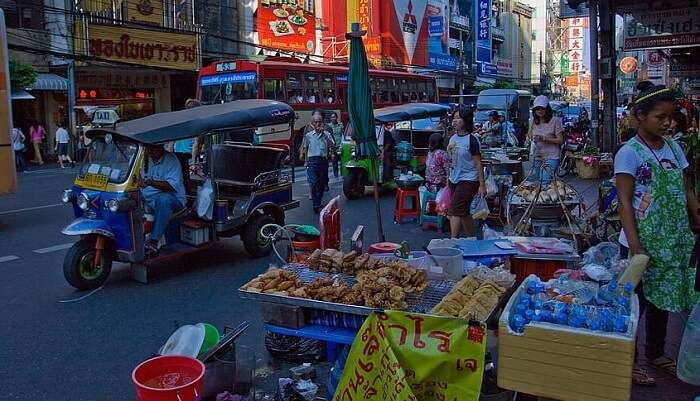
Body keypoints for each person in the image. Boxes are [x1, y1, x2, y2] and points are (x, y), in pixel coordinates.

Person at [614, 84, 700, 386]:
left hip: (672, 239)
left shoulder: (674, 148)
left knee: (663, 299)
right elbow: (624, 202)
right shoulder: (629, 153)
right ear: (640, 116)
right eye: (660, 117)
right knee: (635, 306)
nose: (667, 122)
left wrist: (696, 216)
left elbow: (686, 187)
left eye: (670, 117)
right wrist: (636, 246)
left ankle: (655, 352)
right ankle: (630, 361)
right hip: (641, 243)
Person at [446, 106, 486, 238]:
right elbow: (450, 160)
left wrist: (482, 184)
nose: (454, 121)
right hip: (454, 179)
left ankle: (453, 242)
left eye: (458, 118)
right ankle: (472, 239)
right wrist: (448, 178)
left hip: (469, 179)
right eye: (454, 118)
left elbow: (478, 163)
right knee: (463, 212)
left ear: (466, 120)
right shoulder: (453, 139)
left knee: (455, 211)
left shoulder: (472, 140)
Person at [140, 144, 187, 254]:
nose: (151, 150)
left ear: (161, 147)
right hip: (148, 198)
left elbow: (171, 185)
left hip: (173, 200)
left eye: (154, 147)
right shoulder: (144, 160)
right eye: (149, 148)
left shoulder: (171, 160)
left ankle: (153, 241)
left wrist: (149, 182)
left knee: (164, 200)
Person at [300, 112, 334, 213]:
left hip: (323, 161)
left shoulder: (326, 134)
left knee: (322, 184)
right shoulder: (308, 135)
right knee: (314, 182)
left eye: (320, 122)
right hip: (312, 161)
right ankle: (316, 204)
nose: (318, 124)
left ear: (322, 123)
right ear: (313, 124)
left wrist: (324, 135)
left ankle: (318, 201)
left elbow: (332, 145)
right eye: (316, 122)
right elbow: (305, 148)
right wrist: (305, 161)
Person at [529, 95, 564, 185]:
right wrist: (533, 139)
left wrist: (545, 138)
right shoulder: (533, 121)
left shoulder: (555, 121)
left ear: (547, 109)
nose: (540, 111)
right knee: (540, 183)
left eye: (542, 109)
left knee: (545, 182)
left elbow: (560, 140)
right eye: (537, 109)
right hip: (538, 156)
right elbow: (529, 136)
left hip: (552, 156)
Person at [173, 99, 203, 165]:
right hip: (188, 160)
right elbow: (195, 146)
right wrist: (193, 163)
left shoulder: (179, 123)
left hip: (177, 159)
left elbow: (171, 144)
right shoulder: (196, 125)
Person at [329, 112, 343, 178]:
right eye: (332, 117)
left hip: (340, 146)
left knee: (342, 161)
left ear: (337, 118)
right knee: (334, 162)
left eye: (334, 117)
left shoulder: (340, 125)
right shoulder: (329, 126)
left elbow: (343, 134)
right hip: (333, 147)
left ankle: (343, 173)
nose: (333, 118)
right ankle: (336, 175)